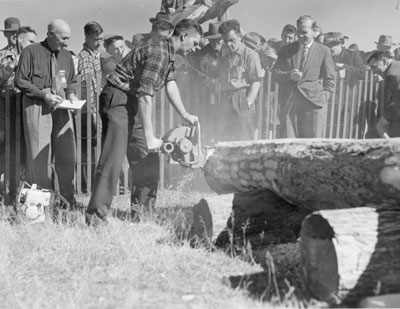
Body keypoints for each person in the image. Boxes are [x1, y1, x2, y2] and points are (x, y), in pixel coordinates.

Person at [85, 19, 201, 225]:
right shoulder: (160, 52)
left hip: (129, 101)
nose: (196, 48)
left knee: (147, 157)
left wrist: (184, 113)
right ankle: (96, 218)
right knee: (113, 158)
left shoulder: (169, 53)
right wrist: (149, 136)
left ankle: (143, 215)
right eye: (195, 42)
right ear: (183, 36)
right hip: (117, 100)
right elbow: (145, 96)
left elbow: (170, 84)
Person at [15, 19, 80, 208]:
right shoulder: (31, 52)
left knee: (67, 155)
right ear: (51, 33)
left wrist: (72, 94)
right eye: (63, 38)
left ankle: (68, 202)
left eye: (68, 38)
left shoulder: (66, 56)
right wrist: (44, 95)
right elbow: (21, 81)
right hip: (38, 106)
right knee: (39, 159)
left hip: (62, 107)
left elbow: (72, 80)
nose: (66, 42)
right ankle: (39, 206)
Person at [273, 15, 336, 138]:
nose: (300, 36)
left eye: (304, 32)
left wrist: (324, 96)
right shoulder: (286, 50)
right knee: (289, 147)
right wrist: (289, 76)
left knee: (313, 148)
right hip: (290, 105)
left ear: (315, 31)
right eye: (298, 32)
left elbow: (330, 79)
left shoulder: (324, 51)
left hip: (314, 105)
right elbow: (275, 73)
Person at [214, 19, 263, 142]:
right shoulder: (224, 57)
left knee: (244, 138)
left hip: (241, 98)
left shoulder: (250, 55)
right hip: (226, 99)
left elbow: (255, 81)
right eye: (225, 41)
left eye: (232, 40)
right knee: (225, 138)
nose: (228, 44)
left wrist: (248, 103)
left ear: (240, 36)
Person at [77, 21, 104, 192]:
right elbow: (87, 86)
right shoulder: (84, 57)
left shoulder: (97, 54)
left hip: (98, 107)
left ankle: (95, 183)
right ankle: (88, 185)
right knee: (90, 148)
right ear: (87, 37)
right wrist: (92, 110)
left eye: (101, 38)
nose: (99, 42)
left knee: (97, 146)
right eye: (96, 39)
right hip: (89, 108)